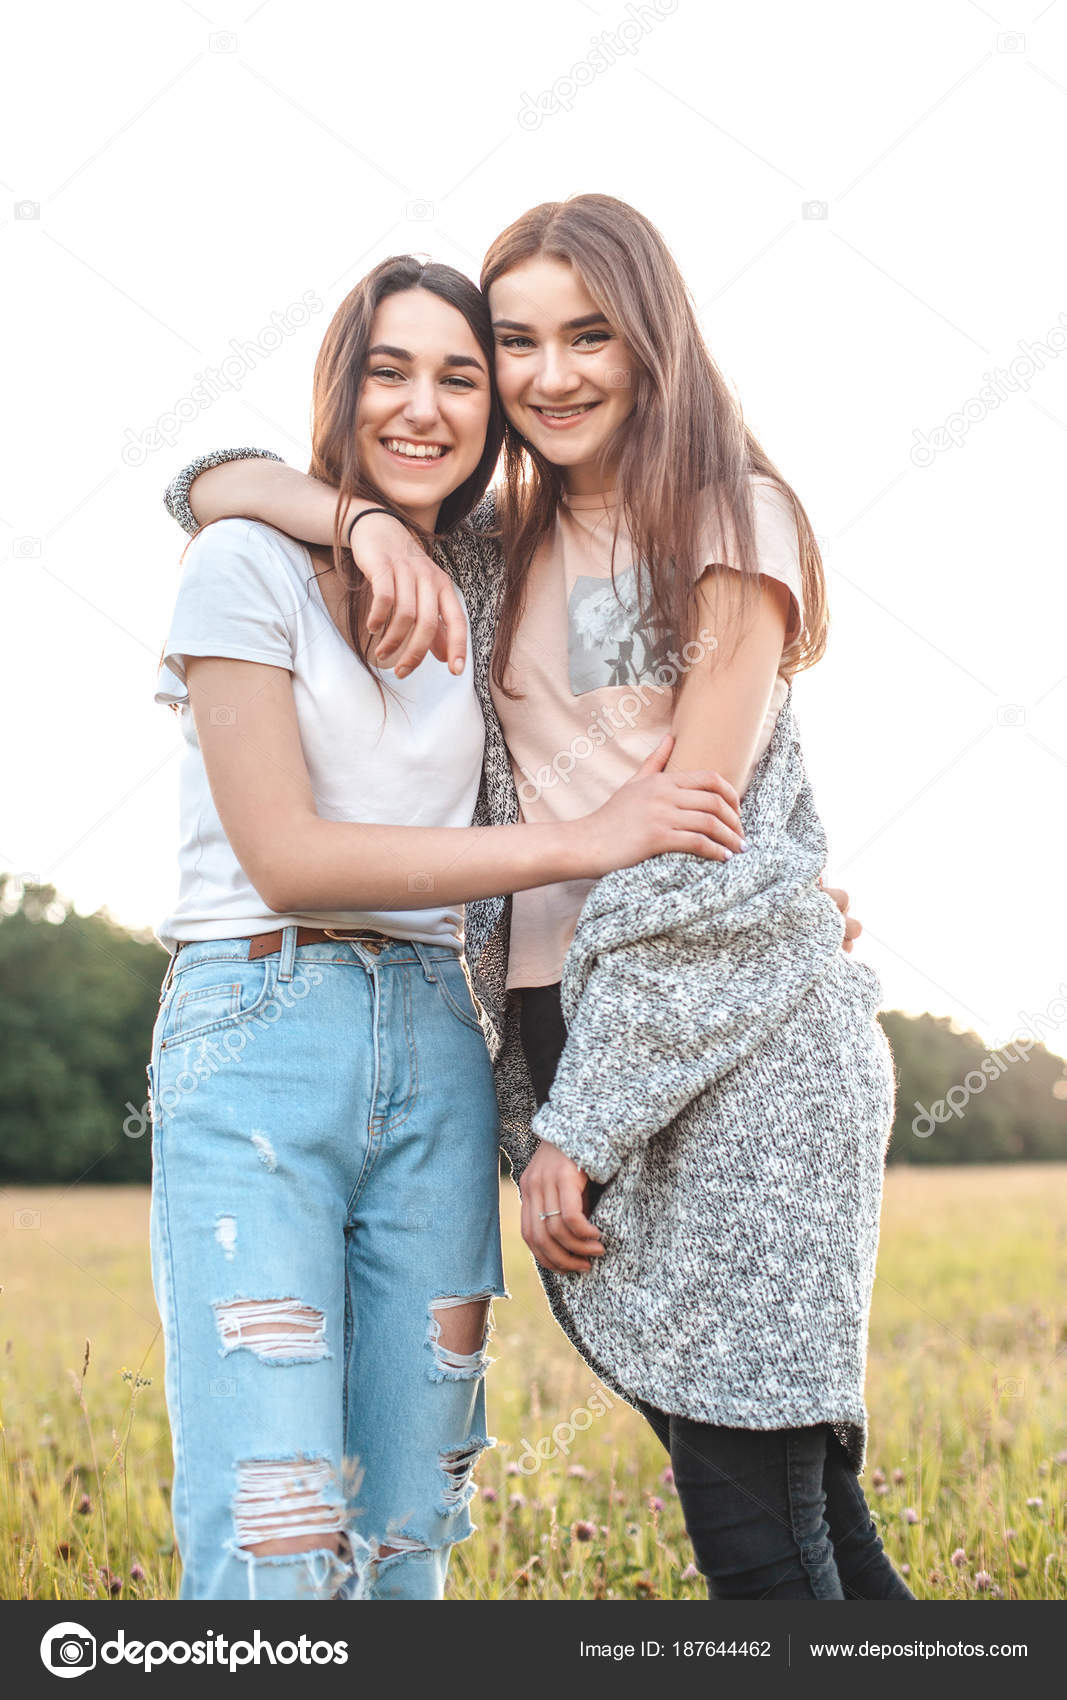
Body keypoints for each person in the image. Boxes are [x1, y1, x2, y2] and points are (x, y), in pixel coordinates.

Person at [162, 193, 906, 1601]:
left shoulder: (723, 524)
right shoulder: (503, 540)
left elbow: (692, 847)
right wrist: (369, 523)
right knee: (790, 1510)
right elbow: (202, 484)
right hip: (567, 1028)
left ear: (652, 345)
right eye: (518, 340)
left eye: (590, 336)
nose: (549, 375)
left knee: (762, 1526)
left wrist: (592, 1112)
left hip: (713, 1049)